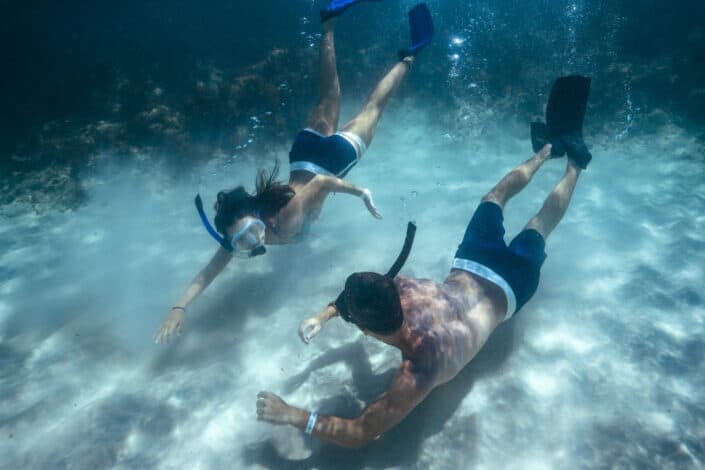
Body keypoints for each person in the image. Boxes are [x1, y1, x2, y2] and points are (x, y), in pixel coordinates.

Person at [256, 75, 593, 448]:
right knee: (498, 198)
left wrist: (293, 415)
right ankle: (550, 151)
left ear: (369, 330)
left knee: (538, 224)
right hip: (474, 265)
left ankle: (571, 163)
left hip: (510, 288)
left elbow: (361, 432)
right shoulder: (403, 289)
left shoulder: (420, 367)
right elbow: (363, 292)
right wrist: (324, 316)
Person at [155, 1, 434, 343]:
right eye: (244, 240)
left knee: (373, 109)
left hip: (331, 160)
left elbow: (322, 183)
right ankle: (329, 23)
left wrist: (360, 192)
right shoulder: (245, 231)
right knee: (330, 93)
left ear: (260, 217)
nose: (257, 239)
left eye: (254, 230)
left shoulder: (284, 216)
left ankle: (411, 55)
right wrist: (179, 307)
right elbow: (207, 273)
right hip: (302, 153)